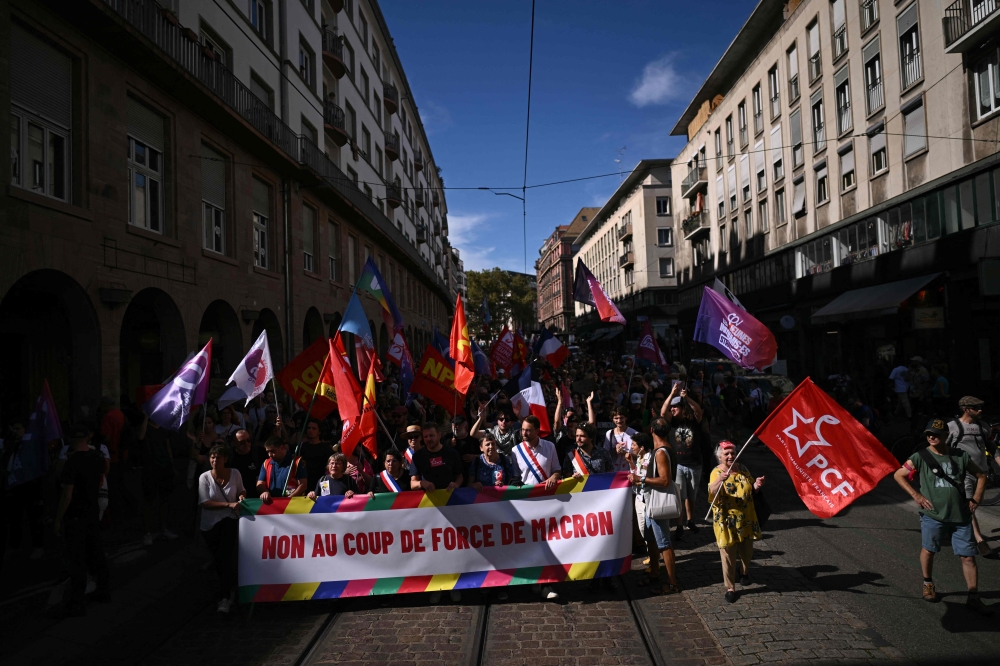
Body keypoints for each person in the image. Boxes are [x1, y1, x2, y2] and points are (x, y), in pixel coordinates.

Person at [894, 419, 991, 614]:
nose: (931, 437)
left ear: (946, 436)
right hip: (933, 515)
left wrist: (976, 498)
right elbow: (899, 474)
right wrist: (917, 495)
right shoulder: (920, 456)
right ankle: (928, 583)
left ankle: (973, 596)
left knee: (969, 557)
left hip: (961, 516)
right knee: (929, 550)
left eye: (936, 434)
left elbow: (981, 475)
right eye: (929, 433)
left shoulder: (960, 456)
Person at [54, 424, 111, 616]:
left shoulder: (72, 462)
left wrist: (58, 518)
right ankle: (104, 590)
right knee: (96, 552)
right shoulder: (97, 458)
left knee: (77, 558)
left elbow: (67, 494)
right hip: (92, 510)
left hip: (76, 514)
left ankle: (76, 602)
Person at [509, 415, 562, 600]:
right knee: (531, 545)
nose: (524, 433)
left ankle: (547, 582)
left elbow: (557, 469)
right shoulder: (516, 451)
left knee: (548, 544)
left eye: (528, 430)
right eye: (523, 429)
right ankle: (535, 579)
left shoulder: (550, 447)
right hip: (526, 505)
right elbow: (515, 478)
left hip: (547, 503)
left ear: (537, 430)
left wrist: (554, 477)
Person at [412, 423, 464, 603]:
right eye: (425, 437)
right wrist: (422, 484)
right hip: (429, 511)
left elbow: (460, 476)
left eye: (431, 436)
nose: (428, 439)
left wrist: (455, 485)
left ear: (439, 435)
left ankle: (454, 586)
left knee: (452, 548)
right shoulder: (418, 456)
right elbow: (412, 483)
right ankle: (437, 586)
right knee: (433, 549)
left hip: (451, 508)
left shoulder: (451, 453)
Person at [707, 440, 764, 604]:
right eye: (727, 454)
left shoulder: (743, 468)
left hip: (746, 518)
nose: (731, 456)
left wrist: (757, 485)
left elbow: (750, 488)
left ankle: (744, 573)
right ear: (719, 456)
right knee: (728, 555)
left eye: (733, 453)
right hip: (726, 520)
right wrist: (720, 481)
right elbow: (711, 492)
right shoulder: (716, 472)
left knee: (746, 550)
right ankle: (730, 587)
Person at [946, 397, 998, 557]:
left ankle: (953, 523)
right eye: (976, 407)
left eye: (981, 407)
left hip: (981, 475)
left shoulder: (983, 428)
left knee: (972, 505)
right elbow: (939, 450)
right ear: (965, 409)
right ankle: (980, 541)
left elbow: (993, 450)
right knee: (970, 506)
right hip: (963, 474)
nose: (980, 410)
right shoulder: (952, 427)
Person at [628, 432, 679, 596]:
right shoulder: (642, 457)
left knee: (664, 542)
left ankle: (672, 582)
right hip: (646, 502)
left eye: (634, 444)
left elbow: (664, 480)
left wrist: (640, 480)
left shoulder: (657, 454)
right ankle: (655, 572)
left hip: (657, 504)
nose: (631, 447)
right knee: (650, 539)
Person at [198, 444, 245, 613]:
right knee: (218, 559)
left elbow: (241, 490)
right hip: (210, 525)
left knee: (224, 557)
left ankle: (225, 596)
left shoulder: (235, 473)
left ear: (225, 459)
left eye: (218, 457)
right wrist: (228, 504)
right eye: (212, 457)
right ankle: (226, 587)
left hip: (229, 520)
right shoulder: (204, 478)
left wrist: (241, 496)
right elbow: (205, 503)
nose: (214, 460)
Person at [661, 384, 705, 540]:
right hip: (678, 464)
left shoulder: (693, 420)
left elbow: (698, 410)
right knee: (680, 496)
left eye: (675, 407)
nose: (672, 409)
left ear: (682, 407)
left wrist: (687, 398)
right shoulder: (671, 423)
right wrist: (672, 394)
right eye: (671, 407)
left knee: (691, 496)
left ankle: (690, 520)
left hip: (694, 463)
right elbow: (662, 411)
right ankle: (679, 526)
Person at [136, 414, 178, 546]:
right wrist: (145, 417)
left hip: (165, 468)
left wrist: (172, 465)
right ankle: (147, 532)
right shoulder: (145, 428)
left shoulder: (164, 429)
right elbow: (140, 437)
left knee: (165, 500)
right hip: (150, 469)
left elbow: (168, 447)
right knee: (149, 501)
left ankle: (163, 528)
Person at [298, 419, 334, 493]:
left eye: (314, 428)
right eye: (309, 428)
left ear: (319, 431)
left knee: (324, 500)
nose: (310, 430)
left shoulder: (326, 448)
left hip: (323, 482)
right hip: (305, 482)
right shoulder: (301, 446)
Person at [228, 429, 265, 498]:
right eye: (242, 442)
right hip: (236, 497)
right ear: (234, 443)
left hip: (257, 496)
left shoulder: (259, 453)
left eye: (248, 440)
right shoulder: (228, 457)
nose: (246, 444)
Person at [602, 406, 636, 473]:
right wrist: (615, 450)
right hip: (613, 472)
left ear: (626, 418)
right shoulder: (609, 434)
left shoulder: (634, 434)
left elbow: (640, 456)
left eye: (621, 418)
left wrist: (625, 453)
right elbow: (605, 454)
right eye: (616, 418)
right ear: (612, 419)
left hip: (630, 472)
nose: (619, 421)